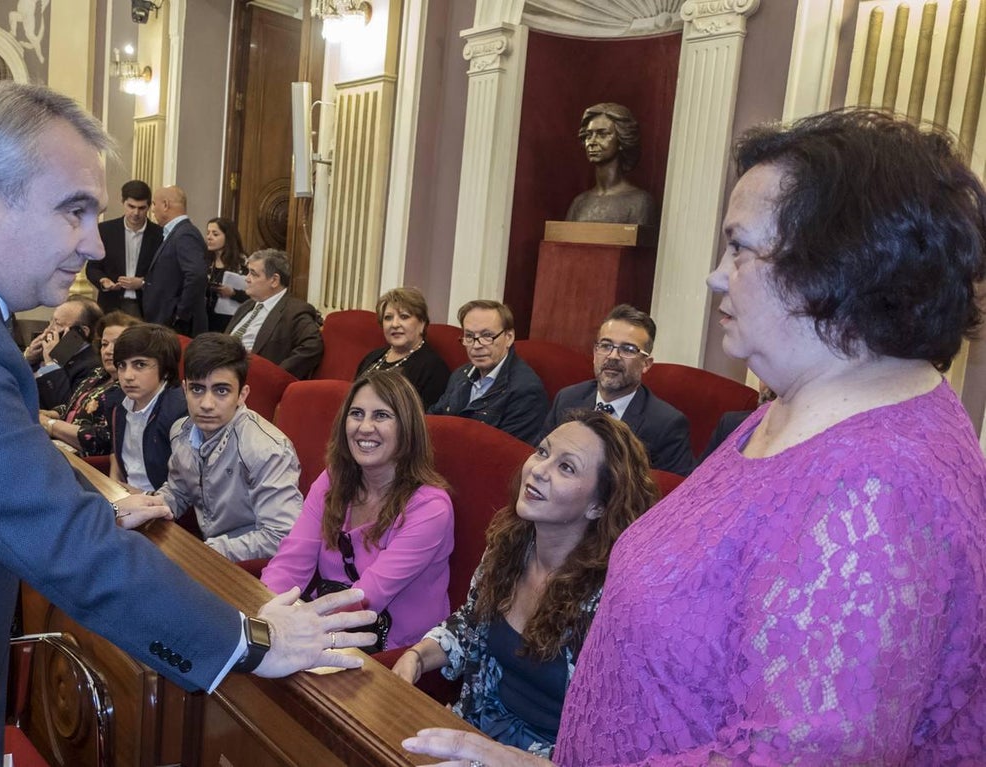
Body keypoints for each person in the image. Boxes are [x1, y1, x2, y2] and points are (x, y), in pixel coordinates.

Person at [405, 109, 986, 766]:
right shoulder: (795, 406)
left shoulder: (881, 490)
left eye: (739, 246)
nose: (715, 274)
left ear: (838, 263)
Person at [0, 81, 375, 766]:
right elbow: (57, 538)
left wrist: (85, 499)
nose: (95, 243)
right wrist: (248, 639)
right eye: (74, 210)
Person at [392, 410, 658, 757]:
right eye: (543, 452)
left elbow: (613, 739)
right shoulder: (510, 545)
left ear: (597, 506)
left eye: (566, 467)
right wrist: (416, 657)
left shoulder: (614, 601)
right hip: (471, 732)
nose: (538, 470)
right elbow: (469, 625)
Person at [262, 370, 455, 650]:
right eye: (356, 414)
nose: (364, 427)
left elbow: (368, 596)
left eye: (381, 415)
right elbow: (291, 562)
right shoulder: (332, 480)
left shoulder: (430, 508)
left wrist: (294, 627)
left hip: (395, 651)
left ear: (407, 428)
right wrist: (264, 612)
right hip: (326, 625)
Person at [154, 332, 302, 560]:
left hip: (249, 568)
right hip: (209, 554)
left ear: (242, 394)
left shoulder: (266, 448)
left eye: (221, 391)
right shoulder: (181, 430)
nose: (206, 404)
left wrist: (207, 552)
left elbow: (280, 535)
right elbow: (178, 491)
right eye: (197, 389)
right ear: (184, 389)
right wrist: (150, 506)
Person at [540, 304, 694, 476]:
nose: (613, 356)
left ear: (646, 364)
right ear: (594, 353)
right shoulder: (567, 399)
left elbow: (674, 492)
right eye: (606, 346)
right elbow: (539, 456)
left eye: (628, 349)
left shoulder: (666, 424)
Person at [429, 300, 548, 444]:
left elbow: (509, 453)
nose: (476, 345)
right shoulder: (460, 374)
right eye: (470, 336)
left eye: (487, 336)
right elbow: (433, 418)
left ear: (509, 337)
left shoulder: (526, 390)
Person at [40, 310, 140, 455]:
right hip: (59, 448)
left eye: (118, 344)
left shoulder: (131, 387)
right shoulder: (98, 373)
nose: (109, 351)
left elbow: (103, 439)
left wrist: (50, 425)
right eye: (105, 344)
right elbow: (74, 405)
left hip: (86, 463)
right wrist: (49, 414)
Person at [109, 323, 188, 493]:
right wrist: (113, 483)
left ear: (166, 370)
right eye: (122, 365)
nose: (127, 376)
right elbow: (116, 452)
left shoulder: (181, 412)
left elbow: (189, 485)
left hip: (163, 507)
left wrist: (146, 496)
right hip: (124, 495)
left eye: (140, 365)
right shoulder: (119, 402)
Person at [227, 248, 324, 379]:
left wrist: (274, 376)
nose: (247, 279)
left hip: (253, 380)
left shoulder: (295, 310)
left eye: (253, 274)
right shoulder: (247, 306)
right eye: (248, 273)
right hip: (223, 370)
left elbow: (312, 347)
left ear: (274, 280)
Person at [355, 286, 450, 409]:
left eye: (404, 316)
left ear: (422, 323)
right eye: (388, 318)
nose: (394, 324)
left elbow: (425, 419)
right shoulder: (371, 358)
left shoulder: (433, 368)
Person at [565, 103, 656, 227]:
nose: (591, 142)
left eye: (602, 134)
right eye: (588, 135)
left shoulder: (640, 202)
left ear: (621, 139)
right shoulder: (579, 203)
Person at [88, 179, 164, 317]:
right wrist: (104, 281)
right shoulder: (106, 230)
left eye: (141, 208)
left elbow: (165, 273)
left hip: (145, 308)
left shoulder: (159, 235)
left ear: (149, 207)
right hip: (111, 305)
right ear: (122, 202)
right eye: (131, 206)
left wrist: (143, 283)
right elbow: (92, 268)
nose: (136, 213)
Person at [144, 185, 209, 336]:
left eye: (154, 204)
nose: (152, 210)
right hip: (167, 322)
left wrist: (180, 313)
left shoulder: (185, 234)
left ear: (165, 205)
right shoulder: (177, 233)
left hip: (178, 326)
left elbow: (197, 275)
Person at [23, 295, 104, 410]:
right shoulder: (44, 352)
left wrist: (51, 363)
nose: (48, 331)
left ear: (82, 332)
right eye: (51, 322)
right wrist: (28, 359)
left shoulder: (93, 366)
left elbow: (65, 408)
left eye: (58, 324)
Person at [204, 216, 249, 332]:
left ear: (227, 237)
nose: (209, 237)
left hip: (229, 321)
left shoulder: (243, 263)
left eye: (215, 234)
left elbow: (254, 296)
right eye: (208, 233)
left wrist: (233, 293)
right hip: (205, 319)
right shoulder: (205, 260)